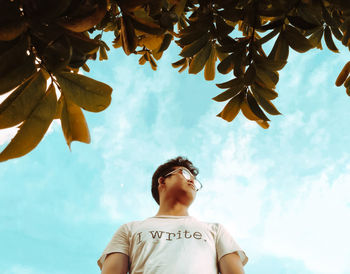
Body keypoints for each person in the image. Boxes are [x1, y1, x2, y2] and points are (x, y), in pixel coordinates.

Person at [97, 156, 248, 274]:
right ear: (162, 181)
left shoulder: (216, 230)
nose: (191, 181)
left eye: (195, 181)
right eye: (185, 173)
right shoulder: (129, 230)